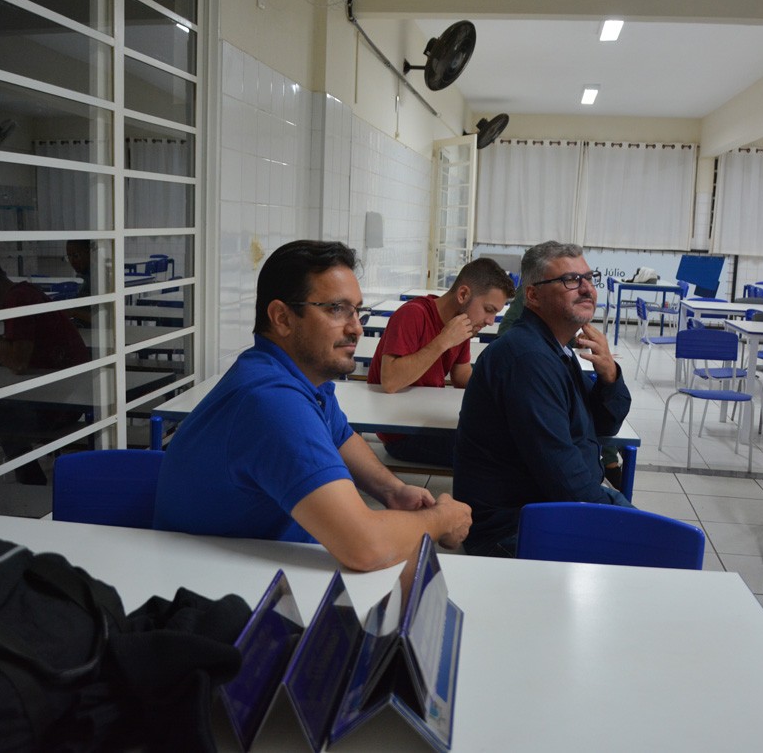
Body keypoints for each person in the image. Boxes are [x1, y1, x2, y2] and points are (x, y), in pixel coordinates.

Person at [153, 240, 471, 572]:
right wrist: (440, 520)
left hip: (268, 561)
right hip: (217, 581)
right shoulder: (273, 401)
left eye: (356, 310)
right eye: (337, 309)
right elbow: (366, 547)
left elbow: (342, 436)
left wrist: (393, 491)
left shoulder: (300, 375)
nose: (356, 328)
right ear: (282, 318)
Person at [453, 241, 633, 558]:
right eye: (570, 280)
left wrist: (609, 375)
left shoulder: (555, 348)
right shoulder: (527, 358)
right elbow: (565, 481)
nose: (586, 289)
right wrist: (627, 521)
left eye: (589, 278)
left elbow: (604, 425)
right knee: (651, 553)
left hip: (548, 510)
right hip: (514, 529)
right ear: (533, 296)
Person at [366, 258, 514, 466]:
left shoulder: (463, 323)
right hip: (401, 431)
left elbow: (461, 375)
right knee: (496, 455)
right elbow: (390, 381)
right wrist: (444, 340)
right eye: (488, 309)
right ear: (463, 294)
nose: (491, 321)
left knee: (508, 437)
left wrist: (501, 392)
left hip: (428, 418)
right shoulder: (413, 314)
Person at [0, 246, 90, 484]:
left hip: (61, 404)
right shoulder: (22, 293)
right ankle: (26, 477)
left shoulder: (19, 299)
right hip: (66, 394)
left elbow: (18, 362)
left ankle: (25, 482)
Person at [64, 239, 92, 327]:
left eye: (76, 256)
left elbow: (104, 318)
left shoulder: (98, 279)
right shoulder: (84, 277)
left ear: (89, 253)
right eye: (69, 256)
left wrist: (74, 312)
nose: (72, 261)